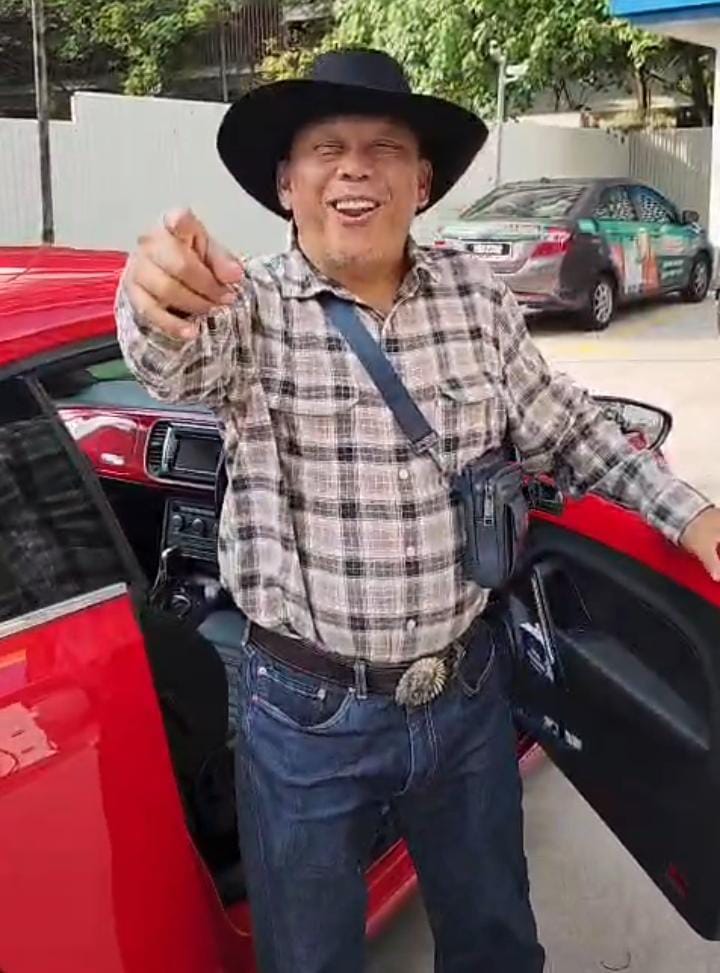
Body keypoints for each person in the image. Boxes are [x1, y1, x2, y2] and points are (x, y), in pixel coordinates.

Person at [117, 49, 720, 973]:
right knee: (310, 958)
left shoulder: (477, 298)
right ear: (287, 185)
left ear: (423, 181)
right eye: (326, 149)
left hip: (465, 696)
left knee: (496, 943)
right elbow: (173, 358)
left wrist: (691, 516)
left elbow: (566, 425)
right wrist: (152, 302)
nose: (355, 169)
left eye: (385, 148)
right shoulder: (248, 311)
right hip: (306, 718)